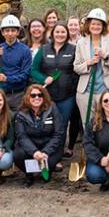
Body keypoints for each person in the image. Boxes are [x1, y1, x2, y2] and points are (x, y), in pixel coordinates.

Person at [30, 21, 78, 164]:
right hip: (47, 96)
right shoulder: (43, 49)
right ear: (52, 33)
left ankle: (57, 158)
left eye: (63, 32)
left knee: (61, 126)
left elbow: (78, 69)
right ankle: (45, 154)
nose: (60, 34)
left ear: (67, 34)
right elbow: (33, 70)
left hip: (67, 96)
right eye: (57, 32)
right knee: (47, 124)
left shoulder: (73, 49)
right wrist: (44, 78)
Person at [74, 8, 109, 125]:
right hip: (86, 91)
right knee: (87, 123)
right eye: (93, 24)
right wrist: (88, 63)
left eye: (99, 24)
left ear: (103, 26)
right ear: (88, 25)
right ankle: (89, 143)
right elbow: (76, 67)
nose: (96, 27)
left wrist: (105, 56)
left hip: (106, 89)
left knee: (107, 123)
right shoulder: (82, 42)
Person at [14, 84, 64, 186]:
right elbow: (22, 136)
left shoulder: (53, 109)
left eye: (40, 95)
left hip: (49, 146)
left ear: (44, 97)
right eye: (33, 95)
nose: (37, 97)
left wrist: (46, 151)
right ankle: (29, 174)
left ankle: (47, 171)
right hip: (30, 147)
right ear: (28, 97)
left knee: (50, 162)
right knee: (17, 155)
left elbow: (58, 133)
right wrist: (34, 151)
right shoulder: (21, 113)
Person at [0, 15, 32, 111]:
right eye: (7, 31)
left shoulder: (25, 50)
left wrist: (7, 78)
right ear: (2, 32)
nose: (10, 33)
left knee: (17, 123)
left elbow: (25, 74)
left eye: (13, 30)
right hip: (0, 94)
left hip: (18, 95)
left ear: (18, 32)